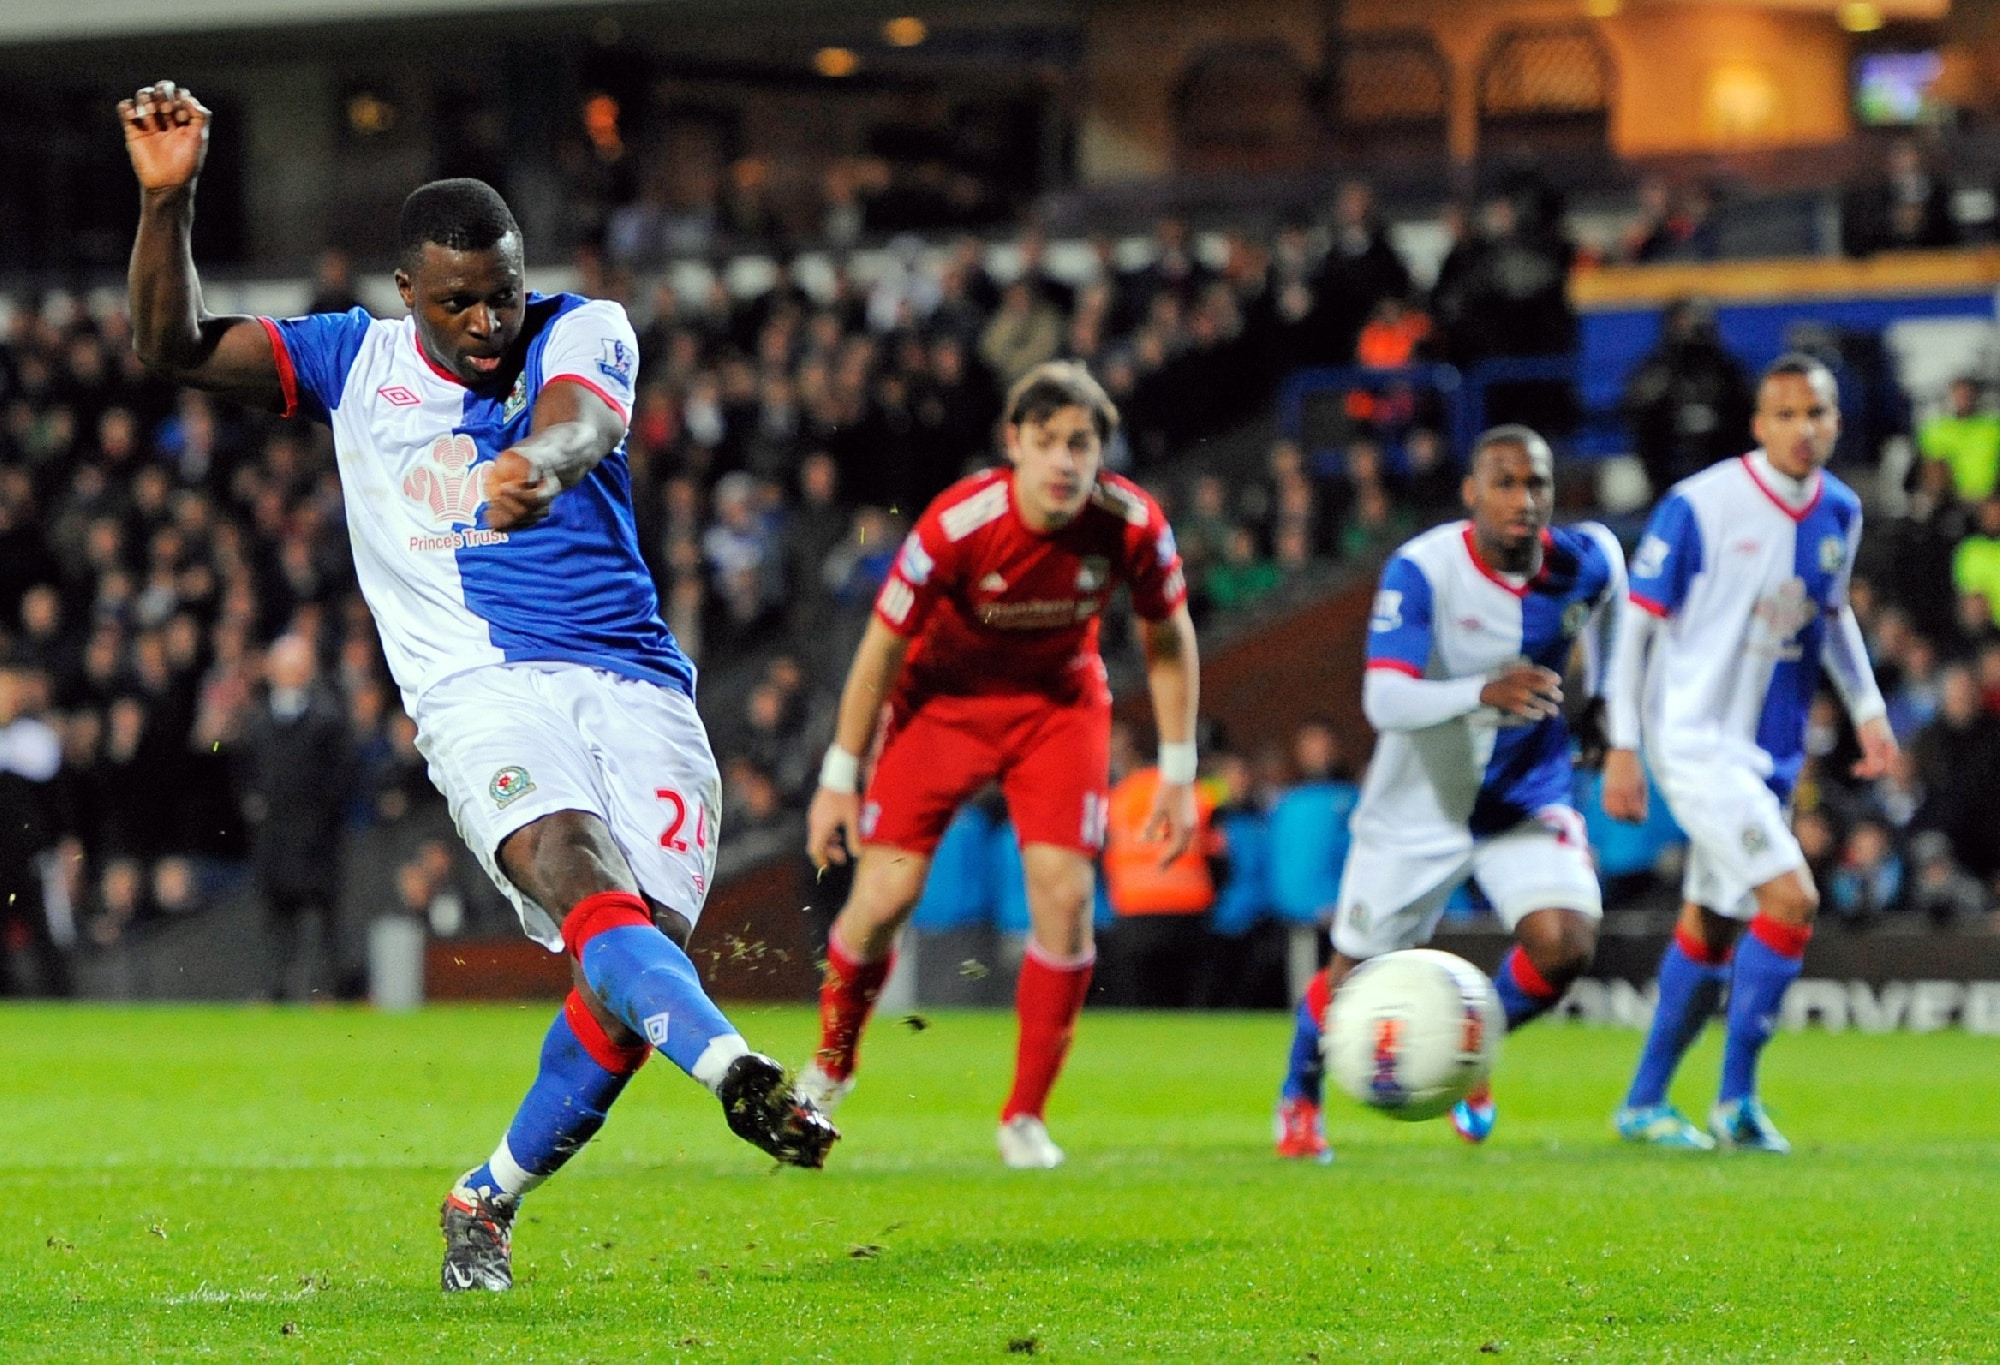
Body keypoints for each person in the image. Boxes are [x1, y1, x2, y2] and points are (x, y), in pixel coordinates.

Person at [119, 80, 836, 1294]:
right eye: (456, 302)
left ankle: (484, 1197)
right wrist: (167, 204)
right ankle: (733, 1071)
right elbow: (170, 346)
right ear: (407, 292)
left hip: (636, 688)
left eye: (501, 292)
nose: (487, 321)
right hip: (476, 690)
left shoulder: (583, 325)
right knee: (578, 874)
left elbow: (581, 425)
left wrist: (537, 466)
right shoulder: (352, 360)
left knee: (631, 975)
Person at [802, 360, 1201, 1168]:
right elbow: (882, 646)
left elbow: (1168, 637)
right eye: (1047, 440)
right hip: (941, 708)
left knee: (1067, 895)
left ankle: (1025, 1116)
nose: (1063, 461)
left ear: (1101, 454)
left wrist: (1179, 768)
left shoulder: (1132, 523)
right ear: (1013, 442)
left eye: (1080, 444)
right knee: (884, 896)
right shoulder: (957, 524)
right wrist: (839, 776)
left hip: (1057, 708)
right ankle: (831, 1063)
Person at [1272, 426, 1624, 1162]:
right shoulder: (1423, 569)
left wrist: (1605, 706)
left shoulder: (1587, 559)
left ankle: (1468, 1046)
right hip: (1417, 806)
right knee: (1350, 978)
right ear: (1471, 493)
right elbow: (1383, 699)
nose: (1522, 499)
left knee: (1565, 945)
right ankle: (1300, 1095)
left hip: (1526, 795)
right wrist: (1481, 692)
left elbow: (1616, 607)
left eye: (1536, 483)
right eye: (1504, 483)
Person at [1603, 354, 1896, 1153]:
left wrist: (1869, 709)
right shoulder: (1700, 504)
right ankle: (1735, 1100)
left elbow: (1831, 615)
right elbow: (1637, 626)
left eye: (1817, 413)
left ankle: (1643, 1102)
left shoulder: (1840, 510)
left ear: (1836, 422)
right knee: (1791, 898)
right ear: (1759, 424)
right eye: (1787, 414)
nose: (1803, 428)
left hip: (1769, 754)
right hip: (1695, 741)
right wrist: (1622, 743)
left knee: (1712, 921)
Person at [236, 634, 353, 1001]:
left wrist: (321, 816)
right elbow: (243, 772)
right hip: (272, 839)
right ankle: (273, 990)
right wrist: (253, 806)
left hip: (316, 839)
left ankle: (325, 991)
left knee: (322, 918)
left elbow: (342, 775)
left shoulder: (328, 718)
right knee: (274, 920)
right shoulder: (256, 721)